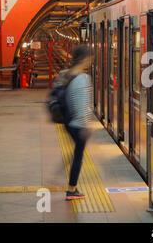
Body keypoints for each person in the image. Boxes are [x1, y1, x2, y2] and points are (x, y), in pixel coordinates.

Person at [63, 45, 93, 201]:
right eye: (89, 58)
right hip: (78, 124)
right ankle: (71, 190)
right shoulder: (82, 78)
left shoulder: (67, 74)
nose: (90, 60)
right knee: (78, 157)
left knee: (76, 155)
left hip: (69, 122)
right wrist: (85, 125)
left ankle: (72, 188)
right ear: (83, 59)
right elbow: (82, 104)